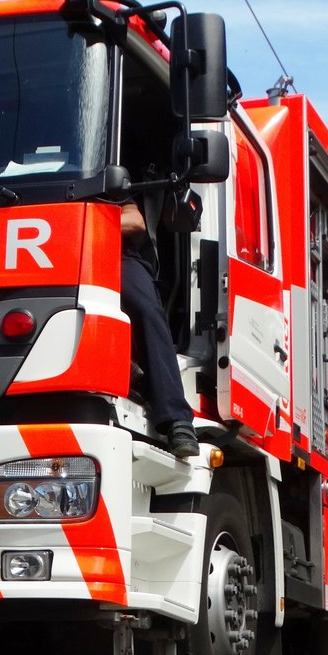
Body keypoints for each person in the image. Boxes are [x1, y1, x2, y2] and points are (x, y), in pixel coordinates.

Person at [118, 194, 199, 458]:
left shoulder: (95, 175)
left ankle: (177, 419)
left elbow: (135, 220)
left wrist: (82, 223)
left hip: (111, 251)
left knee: (145, 308)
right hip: (40, 253)